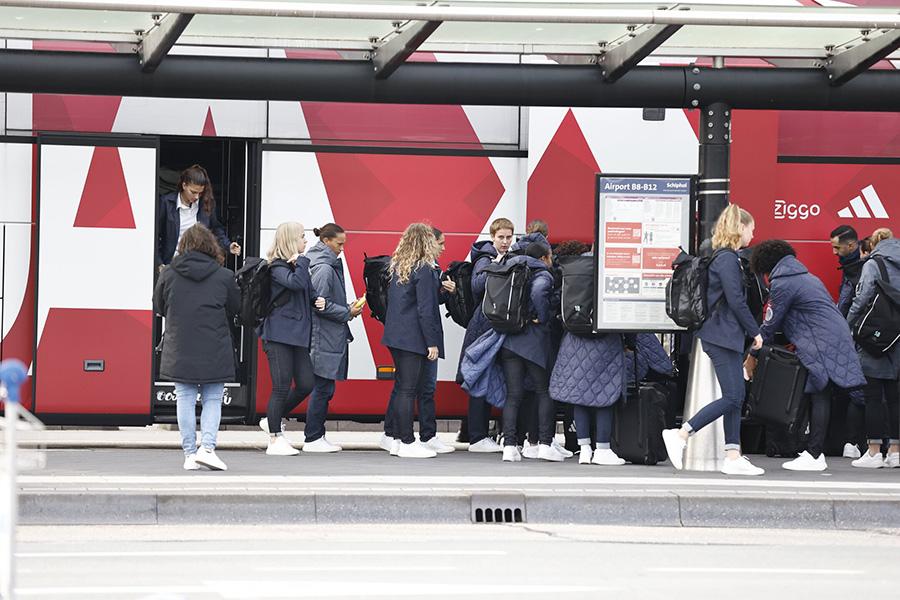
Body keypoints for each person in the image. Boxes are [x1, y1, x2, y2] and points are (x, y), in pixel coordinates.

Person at [744, 239, 866, 471]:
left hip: (820, 341)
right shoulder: (806, 277)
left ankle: (815, 455)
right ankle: (812, 451)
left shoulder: (783, 284)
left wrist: (752, 355)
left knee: (819, 393)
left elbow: (769, 325)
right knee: (815, 392)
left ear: (767, 266)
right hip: (832, 337)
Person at [661, 205, 765, 476]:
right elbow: (736, 299)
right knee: (733, 396)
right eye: (751, 228)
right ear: (740, 228)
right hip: (721, 334)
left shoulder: (723, 257)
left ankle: (732, 456)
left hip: (722, 334)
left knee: (735, 396)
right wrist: (755, 331)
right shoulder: (728, 259)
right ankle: (681, 434)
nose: (753, 235)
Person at [153, 223, 241, 471]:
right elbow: (235, 308)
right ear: (210, 246)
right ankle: (208, 449)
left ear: (184, 246)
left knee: (185, 399)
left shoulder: (169, 273)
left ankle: (190, 454)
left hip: (179, 346)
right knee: (213, 398)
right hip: (215, 345)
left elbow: (159, 306)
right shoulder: (224, 276)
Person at [381, 227, 456, 454]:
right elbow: (425, 310)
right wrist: (431, 343)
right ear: (426, 242)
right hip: (414, 338)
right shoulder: (423, 268)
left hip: (397, 335)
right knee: (409, 390)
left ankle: (396, 441)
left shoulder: (401, 265)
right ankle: (406, 443)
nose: (439, 246)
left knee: (404, 388)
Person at [257, 222, 326, 456]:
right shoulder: (276, 267)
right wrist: (303, 262)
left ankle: (271, 419)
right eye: (302, 237)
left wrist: (319, 300)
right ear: (290, 241)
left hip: (297, 337)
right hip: (278, 336)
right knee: (281, 386)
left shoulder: (296, 267)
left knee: (306, 384)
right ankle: (275, 439)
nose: (306, 241)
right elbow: (295, 284)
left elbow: (307, 291)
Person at [498, 241, 565, 462]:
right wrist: (543, 316)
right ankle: (545, 444)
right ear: (544, 257)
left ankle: (509, 446)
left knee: (513, 395)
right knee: (544, 391)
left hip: (509, 339)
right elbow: (538, 292)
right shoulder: (542, 274)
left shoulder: (512, 268)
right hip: (533, 341)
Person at [457, 218, 515, 454]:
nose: (505, 241)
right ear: (492, 236)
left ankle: (480, 434)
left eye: (509, 237)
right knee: (479, 379)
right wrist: (498, 266)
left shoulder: (501, 256)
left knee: (489, 379)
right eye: (501, 237)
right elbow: (477, 285)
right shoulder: (485, 258)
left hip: (491, 328)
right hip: (483, 329)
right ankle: (478, 436)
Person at [305, 223, 364, 453]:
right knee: (323, 388)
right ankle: (313, 437)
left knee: (322, 387)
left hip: (325, 333)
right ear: (326, 241)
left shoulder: (323, 263)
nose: (342, 249)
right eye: (339, 244)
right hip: (324, 335)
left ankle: (314, 435)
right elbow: (318, 304)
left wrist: (345, 308)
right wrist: (346, 312)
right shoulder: (325, 268)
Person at [847, 228, 900, 469]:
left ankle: (874, 451)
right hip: (898, 338)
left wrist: (847, 326)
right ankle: (896, 452)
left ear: (874, 244)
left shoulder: (873, 264)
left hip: (875, 338)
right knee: (895, 397)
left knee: (872, 397)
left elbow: (861, 298)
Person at [156, 164, 241, 275]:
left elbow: (215, 230)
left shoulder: (205, 204)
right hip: (172, 264)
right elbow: (156, 236)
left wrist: (228, 245)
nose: (196, 197)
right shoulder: (166, 203)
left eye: (200, 193)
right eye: (193, 192)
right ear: (184, 185)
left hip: (198, 264)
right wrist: (159, 263)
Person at [830, 225, 866, 459]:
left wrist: (837, 325)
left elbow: (847, 302)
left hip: (859, 334)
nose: (834, 252)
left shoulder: (856, 268)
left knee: (858, 390)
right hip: (881, 334)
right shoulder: (856, 263)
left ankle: (853, 443)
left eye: (837, 247)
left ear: (851, 246)